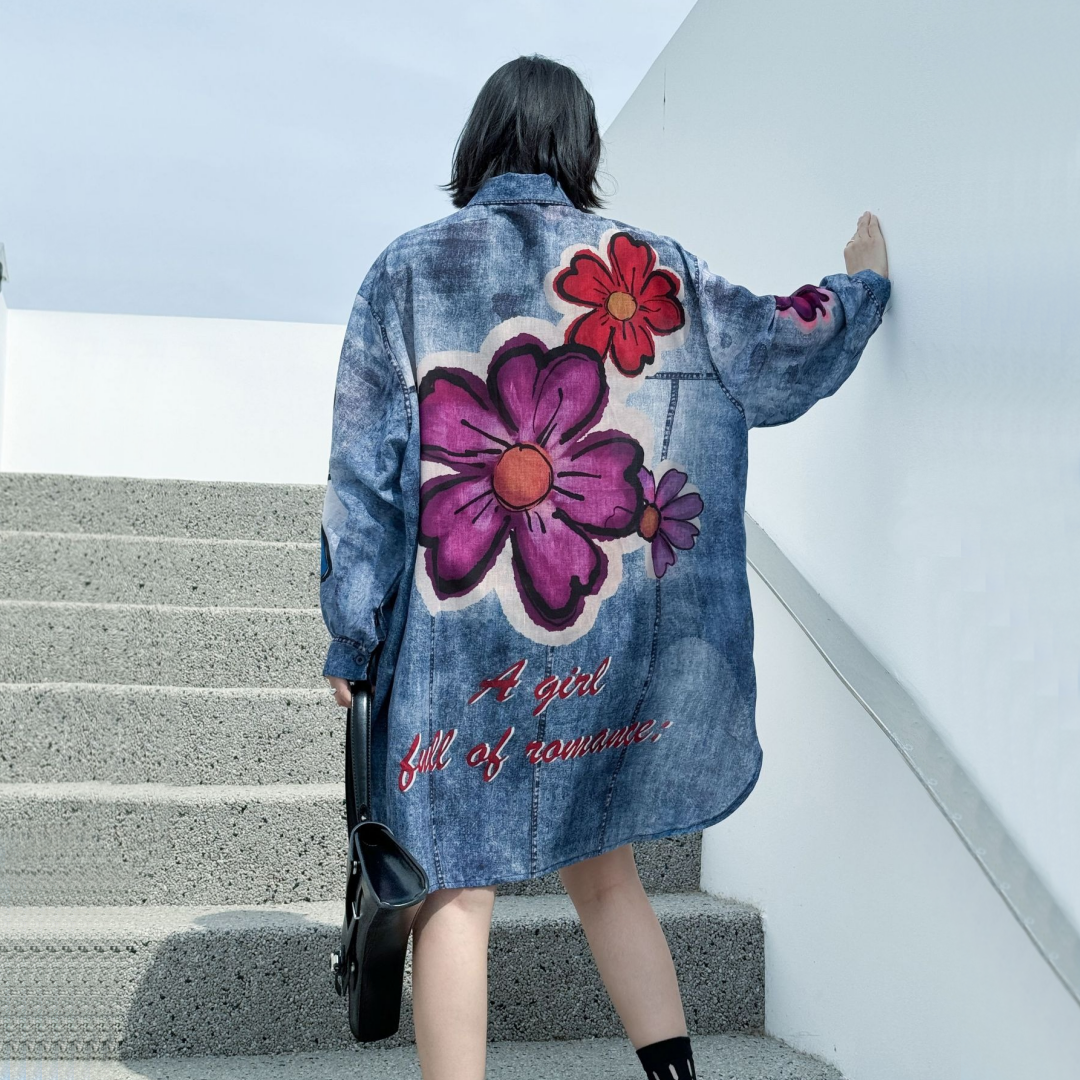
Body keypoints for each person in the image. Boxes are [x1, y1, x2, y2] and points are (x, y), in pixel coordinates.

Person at [320, 53, 889, 1080]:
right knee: (607, 871)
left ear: (478, 141)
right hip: (595, 639)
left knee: (456, 892)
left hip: (454, 649)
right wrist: (861, 286)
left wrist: (350, 635)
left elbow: (366, 476)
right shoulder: (647, 269)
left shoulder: (406, 271)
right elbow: (770, 348)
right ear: (580, 148)